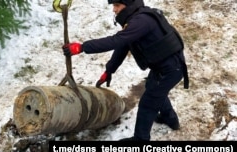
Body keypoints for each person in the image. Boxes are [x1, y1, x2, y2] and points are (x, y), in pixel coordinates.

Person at [62, 0, 189, 141]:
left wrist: (82, 47)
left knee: (149, 102)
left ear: (127, 5)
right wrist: (109, 71)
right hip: (164, 66)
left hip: (171, 68)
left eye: (117, 5)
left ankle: (140, 140)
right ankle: (170, 118)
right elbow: (123, 46)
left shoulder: (142, 21)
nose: (114, 10)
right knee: (154, 89)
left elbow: (116, 41)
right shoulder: (135, 20)